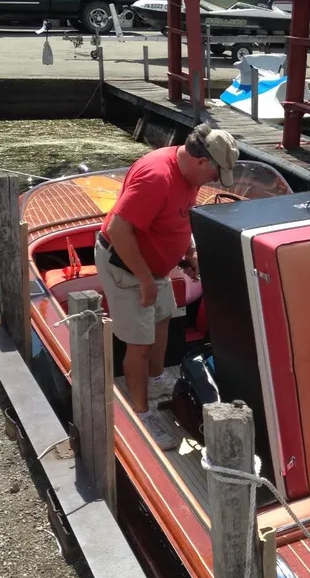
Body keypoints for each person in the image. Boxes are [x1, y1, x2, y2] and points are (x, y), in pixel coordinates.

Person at [95, 124, 239, 449]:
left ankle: (156, 380)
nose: (215, 182)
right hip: (127, 267)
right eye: (216, 174)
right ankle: (141, 413)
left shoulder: (188, 177)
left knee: (162, 324)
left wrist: (188, 254)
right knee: (140, 343)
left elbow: (176, 219)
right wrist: (145, 279)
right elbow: (119, 230)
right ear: (202, 161)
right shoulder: (157, 176)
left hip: (156, 268)